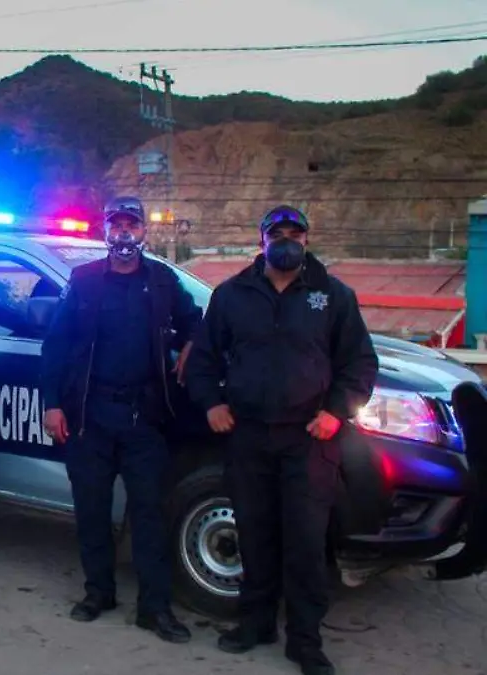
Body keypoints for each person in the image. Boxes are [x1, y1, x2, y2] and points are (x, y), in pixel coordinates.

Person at [184, 205, 377, 675]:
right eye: (278, 232)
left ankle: (305, 641)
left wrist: (335, 412)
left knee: (307, 542)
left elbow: (359, 364)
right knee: (254, 533)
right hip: (248, 435)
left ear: (307, 239)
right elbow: (204, 359)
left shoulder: (333, 296)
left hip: (309, 438)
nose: (287, 239)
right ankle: (256, 624)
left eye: (296, 232)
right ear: (262, 238)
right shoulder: (231, 296)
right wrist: (212, 403)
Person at [40, 196, 201, 644]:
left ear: (144, 232)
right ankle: (99, 594)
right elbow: (55, 345)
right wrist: (52, 404)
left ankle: (154, 608)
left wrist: (189, 347)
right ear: (105, 231)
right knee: (91, 511)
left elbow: (196, 321)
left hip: (145, 419)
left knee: (149, 514)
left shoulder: (164, 281)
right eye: (117, 225)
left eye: (132, 225)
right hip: (90, 416)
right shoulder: (84, 281)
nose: (124, 233)